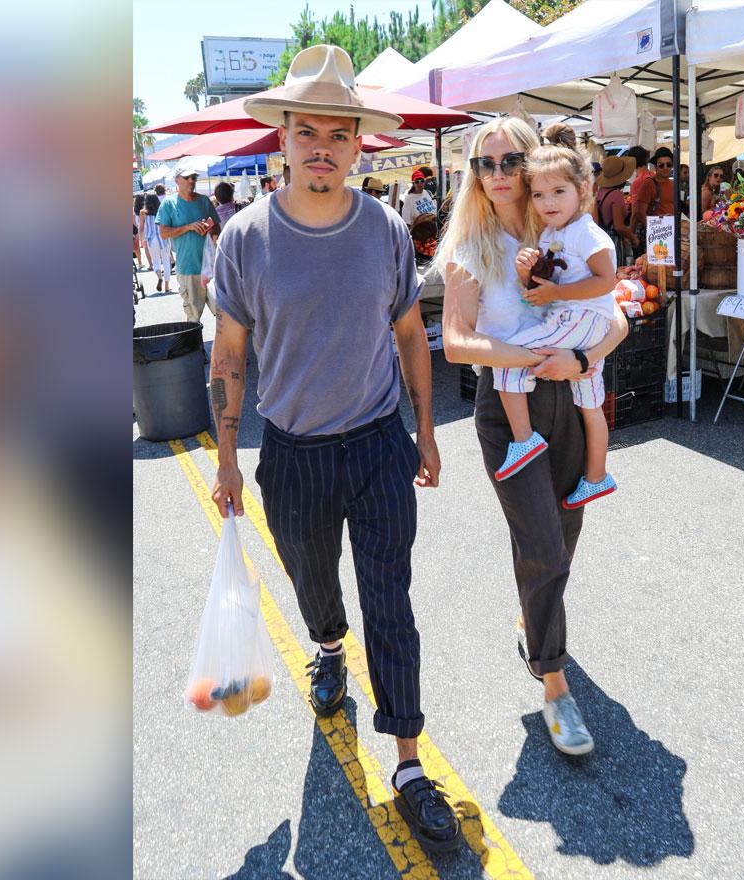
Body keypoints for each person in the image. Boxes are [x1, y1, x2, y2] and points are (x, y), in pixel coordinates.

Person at [208, 44, 457, 853]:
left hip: (379, 444)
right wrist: (225, 461)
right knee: (317, 586)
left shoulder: (386, 229)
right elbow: (229, 359)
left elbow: (411, 332)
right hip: (292, 455)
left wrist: (423, 430)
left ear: (359, 144)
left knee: (393, 600)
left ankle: (410, 765)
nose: (322, 146)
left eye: (337, 134)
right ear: (283, 137)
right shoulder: (244, 238)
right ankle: (325, 647)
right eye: (306, 130)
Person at [437, 116, 629, 757]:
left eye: (508, 161)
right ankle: (554, 683)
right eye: (483, 164)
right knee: (543, 543)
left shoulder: (565, 229)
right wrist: (528, 359)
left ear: (535, 163)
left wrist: (582, 359)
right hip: (509, 407)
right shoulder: (471, 246)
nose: (497, 175)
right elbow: (459, 345)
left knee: (565, 535)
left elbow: (618, 314)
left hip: (571, 396)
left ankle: (533, 617)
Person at [501, 145, 619, 507]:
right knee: (590, 405)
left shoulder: (586, 233)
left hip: (582, 318)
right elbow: (538, 287)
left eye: (558, 192)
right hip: (578, 322)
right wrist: (526, 271)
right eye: (538, 194)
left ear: (582, 189)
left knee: (507, 355)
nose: (547, 202)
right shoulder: (550, 234)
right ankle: (597, 477)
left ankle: (524, 440)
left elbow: (607, 281)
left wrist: (559, 292)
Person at [156, 160, 220, 322]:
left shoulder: (204, 201)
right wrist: (189, 227)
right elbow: (163, 233)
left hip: (211, 267)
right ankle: (195, 347)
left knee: (223, 314)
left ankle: (226, 348)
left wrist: (210, 228)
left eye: (193, 177)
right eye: (187, 177)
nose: (191, 180)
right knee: (193, 317)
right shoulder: (169, 204)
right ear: (177, 180)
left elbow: (217, 229)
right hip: (188, 268)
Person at [592, 154, 639, 261]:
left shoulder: (600, 191)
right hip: (613, 240)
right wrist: (632, 237)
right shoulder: (616, 194)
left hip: (602, 238)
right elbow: (618, 226)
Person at [631, 146, 676, 253]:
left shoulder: (673, 184)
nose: (665, 168)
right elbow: (639, 213)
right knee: (655, 268)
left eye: (668, 165)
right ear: (655, 166)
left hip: (670, 233)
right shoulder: (648, 184)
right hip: (655, 235)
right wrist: (656, 230)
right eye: (661, 165)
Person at [141, 193, 171, 293]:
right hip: (163, 238)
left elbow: (141, 228)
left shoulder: (143, 213)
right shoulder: (162, 210)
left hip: (151, 239)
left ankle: (159, 277)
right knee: (166, 261)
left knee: (156, 261)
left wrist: (142, 240)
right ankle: (167, 286)